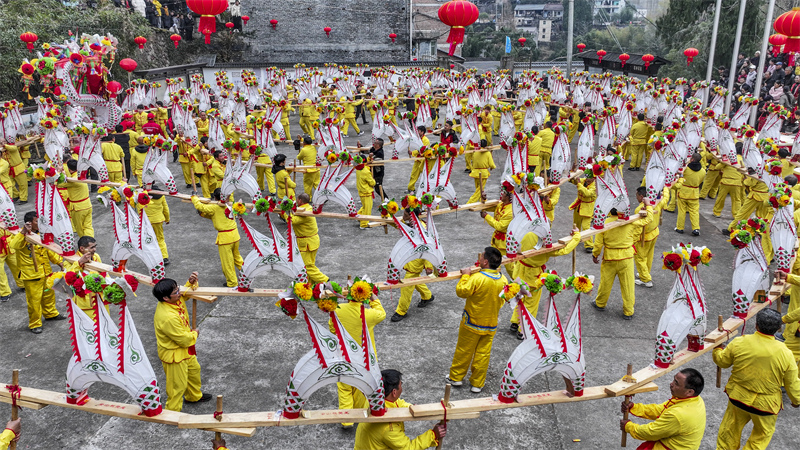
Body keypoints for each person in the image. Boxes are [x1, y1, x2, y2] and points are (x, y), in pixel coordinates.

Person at [713, 308, 800, 450]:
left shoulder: (740, 342)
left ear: (756, 325)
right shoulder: (786, 353)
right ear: (779, 328)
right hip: (766, 405)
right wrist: (796, 400)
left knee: (730, 431)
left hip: (738, 398)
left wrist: (717, 350)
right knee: (761, 437)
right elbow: (792, 382)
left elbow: (723, 362)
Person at [447, 247, 508, 393]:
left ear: (485, 262)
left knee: (464, 350)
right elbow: (504, 299)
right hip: (491, 323)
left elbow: (462, 291)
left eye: (481, 258)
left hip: (472, 322)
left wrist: (466, 276)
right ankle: (477, 383)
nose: (479, 259)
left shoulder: (478, 278)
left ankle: (456, 377)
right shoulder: (503, 280)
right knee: (483, 354)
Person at [152, 272, 213, 412]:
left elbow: (184, 294)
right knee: (176, 386)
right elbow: (184, 340)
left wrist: (190, 283)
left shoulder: (174, 299)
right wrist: (195, 333)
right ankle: (172, 412)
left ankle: (193, 396)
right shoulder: (167, 317)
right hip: (174, 353)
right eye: (176, 292)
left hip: (184, 350)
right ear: (165, 298)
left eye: (178, 289)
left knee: (194, 371)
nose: (179, 293)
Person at [329, 282, 385, 428]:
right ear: (365, 297)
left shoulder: (338, 309)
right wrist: (374, 298)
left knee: (344, 387)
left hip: (343, 356)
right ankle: (358, 414)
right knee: (361, 387)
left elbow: (332, 327)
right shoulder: (369, 315)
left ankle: (346, 420)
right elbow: (382, 313)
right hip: (364, 359)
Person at [510, 226, 581, 338]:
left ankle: (515, 322)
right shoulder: (545, 247)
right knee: (531, 303)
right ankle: (523, 329)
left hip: (519, 272)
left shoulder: (524, 234)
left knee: (520, 297)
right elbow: (565, 250)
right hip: (533, 277)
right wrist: (577, 236)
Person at [354, 369, 446, 449]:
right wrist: (433, 435)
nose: (401, 386)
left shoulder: (375, 401)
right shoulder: (389, 428)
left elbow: (398, 403)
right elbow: (409, 448)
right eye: (401, 384)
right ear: (394, 392)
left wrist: (411, 408)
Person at [621, 368, 707, 450]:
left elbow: (650, 432)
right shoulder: (696, 400)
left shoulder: (678, 415)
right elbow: (660, 410)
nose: (671, 383)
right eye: (674, 380)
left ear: (689, 392)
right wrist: (634, 407)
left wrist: (628, 426)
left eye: (676, 383)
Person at [11, 211, 65, 333]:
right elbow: (14, 245)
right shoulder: (21, 235)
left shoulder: (41, 234)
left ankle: (51, 314)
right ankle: (35, 323)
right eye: (37, 221)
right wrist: (24, 232)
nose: (39, 223)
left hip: (46, 271)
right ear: (29, 223)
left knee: (48, 295)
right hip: (31, 274)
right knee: (34, 300)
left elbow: (48, 250)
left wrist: (59, 262)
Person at [592, 207, 651, 319]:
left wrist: (595, 254)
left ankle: (600, 303)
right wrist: (648, 207)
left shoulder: (604, 223)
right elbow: (647, 220)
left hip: (610, 257)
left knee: (605, 283)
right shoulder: (630, 222)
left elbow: (598, 243)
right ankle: (628, 311)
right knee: (628, 285)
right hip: (627, 257)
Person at [390, 207, 435, 322]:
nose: (403, 215)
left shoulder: (422, 229)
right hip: (411, 257)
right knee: (415, 279)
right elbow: (401, 227)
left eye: (405, 213)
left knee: (406, 286)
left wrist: (429, 266)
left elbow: (428, 248)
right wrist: (388, 218)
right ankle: (427, 296)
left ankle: (401, 311)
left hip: (417, 259)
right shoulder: (411, 223)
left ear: (411, 216)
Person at [191, 189, 244, 288]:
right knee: (237, 258)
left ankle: (232, 283)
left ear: (215, 198)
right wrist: (201, 213)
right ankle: (248, 274)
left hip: (225, 239)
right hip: (235, 235)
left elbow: (200, 206)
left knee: (227, 263)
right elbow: (215, 216)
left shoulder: (215, 207)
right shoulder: (232, 205)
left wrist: (194, 197)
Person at [634, 187, 669, 288]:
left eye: (637, 195)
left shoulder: (639, 209)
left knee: (640, 258)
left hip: (644, 237)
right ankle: (645, 273)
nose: (636, 197)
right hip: (654, 233)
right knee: (649, 255)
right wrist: (665, 188)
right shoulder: (656, 203)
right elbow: (665, 198)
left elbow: (638, 226)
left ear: (641, 196)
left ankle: (646, 279)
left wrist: (633, 239)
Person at [291, 193, 329, 284]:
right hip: (311, 241)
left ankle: (326, 281)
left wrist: (284, 212)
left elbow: (292, 220)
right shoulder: (308, 208)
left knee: (306, 266)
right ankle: (309, 285)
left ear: (300, 200)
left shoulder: (304, 212)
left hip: (307, 242)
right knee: (309, 264)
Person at [480, 185, 514, 276]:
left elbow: (499, 226)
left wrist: (486, 216)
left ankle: (518, 284)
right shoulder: (500, 204)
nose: (501, 194)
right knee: (492, 264)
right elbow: (485, 207)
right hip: (496, 241)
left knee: (510, 268)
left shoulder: (511, 211)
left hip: (506, 244)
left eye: (503, 193)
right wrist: (483, 199)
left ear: (508, 196)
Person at [59, 159, 95, 237]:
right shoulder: (80, 176)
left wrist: (59, 173)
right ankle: (91, 241)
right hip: (87, 205)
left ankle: (86, 245)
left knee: (80, 228)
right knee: (88, 226)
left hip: (78, 208)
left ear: (69, 169)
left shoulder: (72, 180)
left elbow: (57, 184)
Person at [674, 153, 705, 236]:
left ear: (692, 159)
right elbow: (700, 181)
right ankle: (695, 228)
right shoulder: (703, 171)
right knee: (694, 212)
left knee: (682, 211)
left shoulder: (685, 169)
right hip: (694, 193)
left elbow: (679, 175)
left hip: (684, 191)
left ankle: (680, 228)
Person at [712, 144, 744, 219]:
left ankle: (717, 212)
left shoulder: (729, 158)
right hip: (737, 183)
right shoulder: (744, 161)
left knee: (721, 198)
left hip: (725, 182)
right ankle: (736, 215)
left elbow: (717, 167)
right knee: (736, 200)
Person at [142, 185, 170, 265]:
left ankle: (153, 258)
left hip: (147, 222)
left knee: (150, 240)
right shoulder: (161, 196)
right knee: (160, 239)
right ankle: (164, 257)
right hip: (158, 220)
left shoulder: (143, 196)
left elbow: (139, 208)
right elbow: (166, 209)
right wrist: (167, 219)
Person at [569, 174, 597, 253]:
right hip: (579, 206)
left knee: (586, 227)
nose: (587, 179)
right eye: (587, 177)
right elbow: (573, 180)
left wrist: (578, 184)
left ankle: (589, 245)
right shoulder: (584, 181)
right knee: (576, 224)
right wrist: (573, 175)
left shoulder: (595, 186)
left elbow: (587, 193)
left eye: (590, 178)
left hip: (588, 208)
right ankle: (576, 238)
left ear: (594, 178)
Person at [407, 126, 431, 193]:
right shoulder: (417, 139)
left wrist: (412, 153)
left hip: (423, 161)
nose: (417, 132)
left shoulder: (426, 140)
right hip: (417, 160)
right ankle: (411, 188)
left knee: (425, 176)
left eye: (418, 131)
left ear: (422, 132)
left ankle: (427, 189)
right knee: (413, 175)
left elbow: (422, 150)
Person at [356, 157, 376, 229]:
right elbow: (372, 183)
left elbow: (365, 165)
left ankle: (358, 216)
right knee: (367, 208)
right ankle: (363, 224)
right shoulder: (366, 172)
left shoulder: (358, 170)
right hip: (366, 192)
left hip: (361, 191)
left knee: (365, 206)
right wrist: (373, 180)